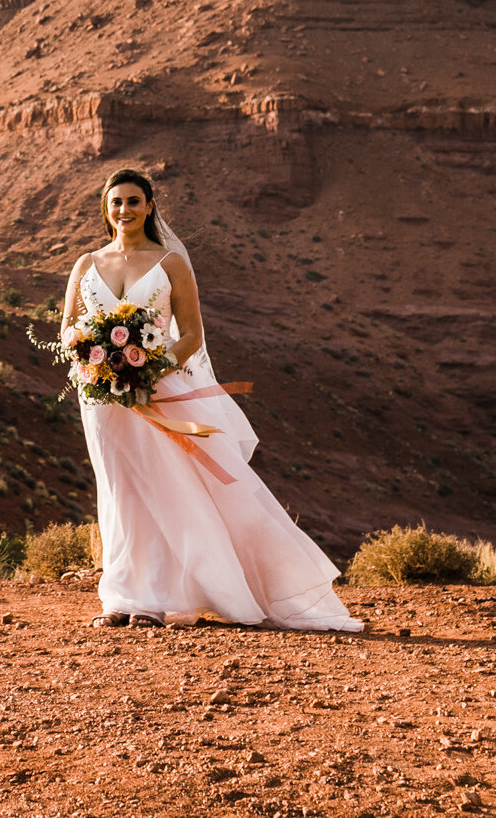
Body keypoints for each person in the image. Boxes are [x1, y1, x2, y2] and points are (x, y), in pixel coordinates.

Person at [59, 167, 361, 632]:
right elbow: (68, 331)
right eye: (116, 201)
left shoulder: (169, 263)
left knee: (165, 489)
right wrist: (99, 364)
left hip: (160, 392)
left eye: (134, 201)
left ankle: (154, 601)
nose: (124, 210)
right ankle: (120, 594)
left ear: (150, 206)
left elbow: (192, 336)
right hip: (103, 400)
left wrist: (148, 366)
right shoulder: (86, 263)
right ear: (106, 207)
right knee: (120, 491)